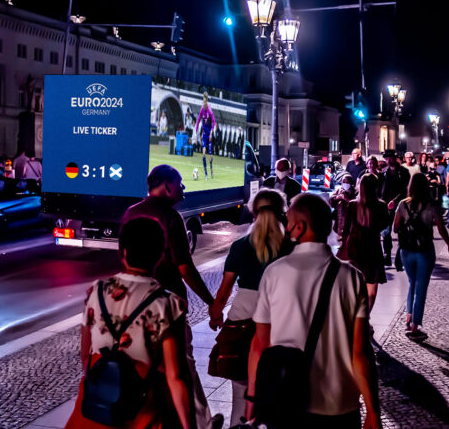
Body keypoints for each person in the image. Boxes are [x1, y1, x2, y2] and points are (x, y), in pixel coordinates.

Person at [246, 193, 381, 429]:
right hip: (339, 405)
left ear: (300, 227)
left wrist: (252, 399)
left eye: (288, 222)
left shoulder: (274, 273)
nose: (286, 228)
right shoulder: (351, 277)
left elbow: (260, 344)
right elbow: (360, 353)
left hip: (286, 403)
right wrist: (372, 410)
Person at [65, 218, 194, 429]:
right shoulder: (168, 304)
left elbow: (85, 354)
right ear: (160, 255)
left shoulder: (96, 291)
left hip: (97, 410)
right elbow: (177, 376)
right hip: (143, 408)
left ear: (122, 252)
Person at [120, 164, 221, 429]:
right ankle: (202, 421)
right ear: (166, 186)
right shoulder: (171, 217)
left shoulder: (130, 214)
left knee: (141, 365)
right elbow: (184, 268)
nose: (183, 188)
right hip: (169, 305)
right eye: (180, 183)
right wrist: (211, 303)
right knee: (183, 366)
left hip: (133, 304)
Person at [208, 190, 291, 427]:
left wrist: (216, 314)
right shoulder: (289, 246)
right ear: (282, 212)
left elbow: (224, 290)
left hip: (241, 321)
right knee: (277, 392)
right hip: (279, 321)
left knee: (241, 393)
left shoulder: (240, 246)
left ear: (253, 212)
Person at [393, 174, 449, 341]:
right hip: (425, 251)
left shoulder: (402, 204)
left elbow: (395, 228)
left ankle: (409, 316)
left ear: (411, 186)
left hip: (406, 250)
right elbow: (441, 228)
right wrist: (448, 244)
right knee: (421, 287)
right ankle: (415, 326)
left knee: (412, 283)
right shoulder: (432, 205)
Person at [340, 173, 389, 313]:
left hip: (354, 248)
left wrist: (343, 244)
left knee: (354, 287)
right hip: (373, 249)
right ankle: (366, 318)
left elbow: (346, 228)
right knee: (371, 289)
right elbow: (384, 226)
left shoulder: (353, 205)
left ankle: (355, 317)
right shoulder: (381, 206)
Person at [378, 150, 410, 267]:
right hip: (385, 206)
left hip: (399, 205)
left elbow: (405, 189)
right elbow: (380, 189)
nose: (387, 160)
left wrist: (395, 201)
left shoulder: (403, 172)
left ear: (394, 158)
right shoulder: (384, 172)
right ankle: (387, 254)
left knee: (401, 231)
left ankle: (399, 255)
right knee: (385, 232)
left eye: (389, 158)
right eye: (385, 158)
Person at [329, 173, 356, 242]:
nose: (345, 184)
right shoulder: (339, 190)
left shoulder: (355, 191)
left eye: (347, 182)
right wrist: (337, 197)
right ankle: (342, 237)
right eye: (344, 182)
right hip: (340, 214)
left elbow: (356, 204)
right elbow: (331, 200)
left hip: (350, 215)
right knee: (340, 228)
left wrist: (346, 199)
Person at [196, 93, 217, 180]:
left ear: (206, 100)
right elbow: (197, 121)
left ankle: (211, 168)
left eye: (204, 100)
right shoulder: (201, 110)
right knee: (203, 153)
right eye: (202, 100)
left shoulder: (210, 111)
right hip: (204, 134)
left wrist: (212, 132)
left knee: (210, 156)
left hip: (209, 135)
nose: (203, 102)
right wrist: (196, 132)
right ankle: (206, 174)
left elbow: (214, 122)